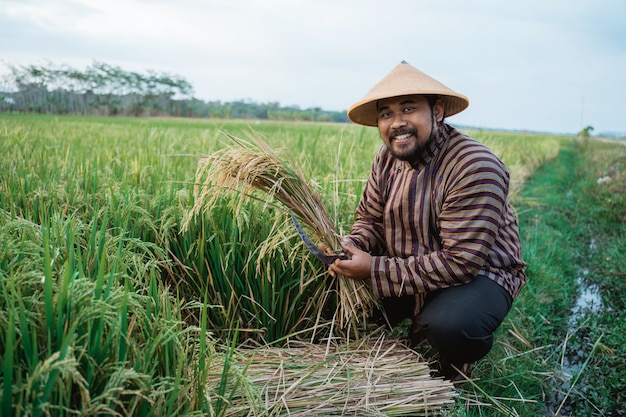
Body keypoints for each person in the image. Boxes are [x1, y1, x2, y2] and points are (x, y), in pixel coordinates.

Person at [328, 61, 527, 383]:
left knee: (451, 324)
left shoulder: (474, 165)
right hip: (409, 265)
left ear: (437, 112)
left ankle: (457, 360)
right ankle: (415, 314)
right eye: (386, 113)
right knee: (329, 288)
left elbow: (462, 261)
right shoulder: (386, 157)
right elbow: (370, 218)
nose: (397, 123)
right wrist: (355, 245)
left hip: (479, 274)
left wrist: (373, 270)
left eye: (408, 109)